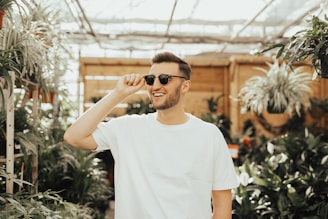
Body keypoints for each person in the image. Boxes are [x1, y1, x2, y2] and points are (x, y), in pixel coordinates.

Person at [64, 51, 239, 219]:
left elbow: (222, 201)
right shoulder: (128, 128)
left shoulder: (208, 135)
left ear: (185, 85)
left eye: (164, 79)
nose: (155, 86)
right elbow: (74, 137)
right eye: (150, 79)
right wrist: (118, 94)